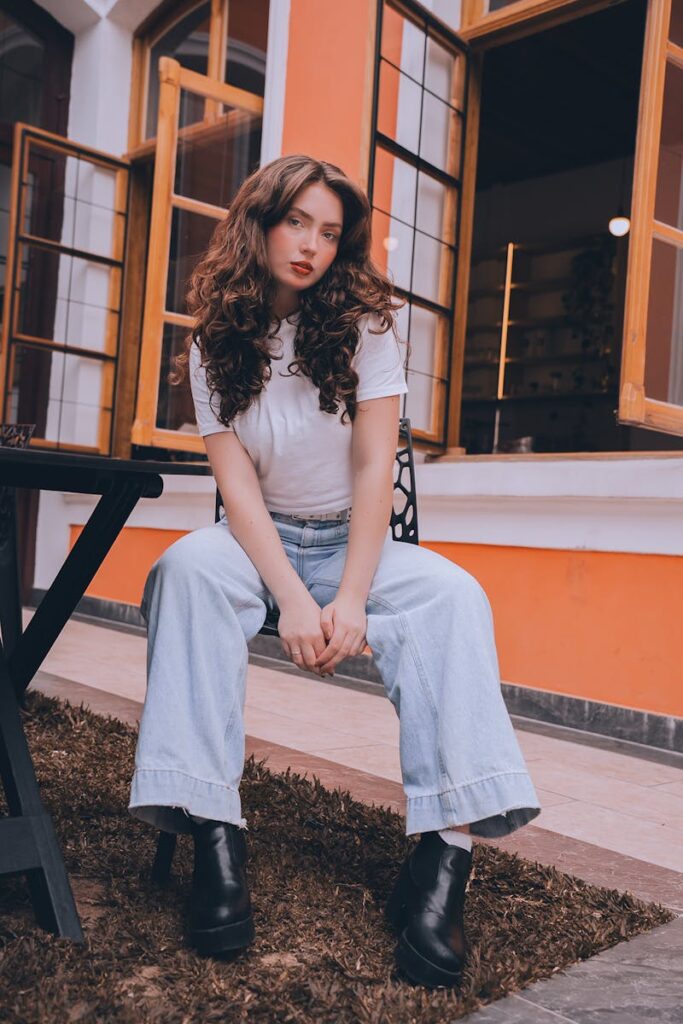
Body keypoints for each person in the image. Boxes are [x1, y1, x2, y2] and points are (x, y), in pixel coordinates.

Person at [128, 153, 541, 989]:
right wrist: (290, 597)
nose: (311, 245)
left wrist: (350, 597)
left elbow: (372, 467)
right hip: (259, 542)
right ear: (259, 224)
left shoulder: (365, 326)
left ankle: (443, 863)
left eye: (328, 231)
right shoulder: (212, 340)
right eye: (296, 223)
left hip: (356, 541)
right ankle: (213, 834)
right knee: (183, 571)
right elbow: (236, 486)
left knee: (453, 595)